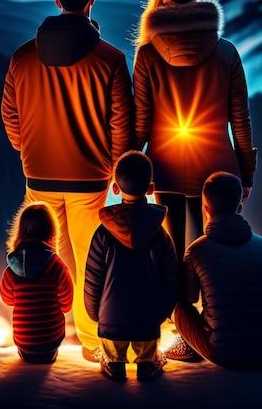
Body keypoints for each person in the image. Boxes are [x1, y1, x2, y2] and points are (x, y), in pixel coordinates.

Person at [1, 0, 133, 362]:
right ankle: (93, 342)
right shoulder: (109, 58)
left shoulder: (22, 57)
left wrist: (29, 149)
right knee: (91, 261)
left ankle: (31, 333)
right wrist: (117, 169)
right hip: (90, 178)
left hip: (38, 174)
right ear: (91, 1)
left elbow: (10, 116)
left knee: (36, 255)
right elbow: (121, 122)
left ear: (57, 2)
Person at [132, 0, 257, 358]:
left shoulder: (149, 54)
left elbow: (141, 120)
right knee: (218, 251)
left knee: (175, 253)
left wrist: (135, 171)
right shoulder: (226, 52)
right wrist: (246, 171)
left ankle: (185, 334)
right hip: (219, 170)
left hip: (166, 167)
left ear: (160, 1)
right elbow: (241, 117)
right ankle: (218, 326)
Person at [172, 171, 262, 369]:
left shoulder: (196, 250)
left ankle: (187, 348)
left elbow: (188, 301)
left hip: (223, 352)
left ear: (206, 208)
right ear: (239, 206)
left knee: (178, 304)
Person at [84, 150, 178, 382]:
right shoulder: (160, 234)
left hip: (111, 322)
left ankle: (114, 365)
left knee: (112, 353)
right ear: (151, 188)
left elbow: (93, 278)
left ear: (115, 188)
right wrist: (163, 312)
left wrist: (95, 313)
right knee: (148, 353)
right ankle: (147, 364)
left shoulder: (102, 233)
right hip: (149, 320)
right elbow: (171, 277)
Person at [0, 200, 73, 364]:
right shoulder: (56, 265)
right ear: (51, 231)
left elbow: (7, 300)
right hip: (51, 341)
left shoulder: (12, 268)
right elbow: (66, 304)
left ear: (21, 230)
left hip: (24, 343)